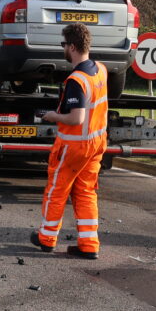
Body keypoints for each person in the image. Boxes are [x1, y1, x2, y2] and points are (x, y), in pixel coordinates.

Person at [30, 23, 107, 260]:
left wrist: (52, 116)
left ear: (72, 47)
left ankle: (46, 238)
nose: (63, 48)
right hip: (95, 143)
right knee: (85, 191)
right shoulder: (100, 69)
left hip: (74, 144)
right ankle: (89, 244)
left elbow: (76, 118)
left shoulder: (77, 79)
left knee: (57, 190)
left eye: (64, 44)